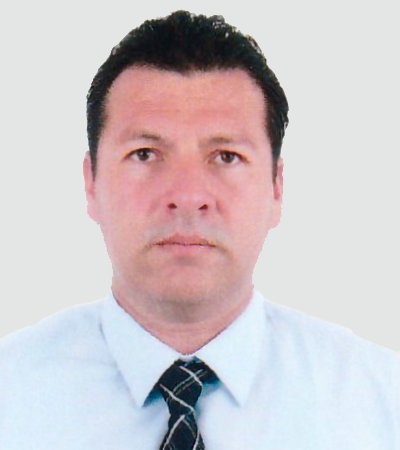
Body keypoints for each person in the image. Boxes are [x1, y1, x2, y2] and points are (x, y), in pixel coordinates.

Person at [0, 10, 399, 450]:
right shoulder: (10, 398)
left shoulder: (380, 402)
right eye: (145, 153)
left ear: (276, 187)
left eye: (226, 156)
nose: (188, 196)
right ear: (91, 182)